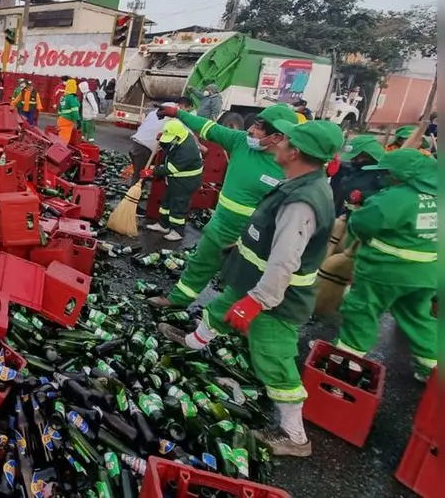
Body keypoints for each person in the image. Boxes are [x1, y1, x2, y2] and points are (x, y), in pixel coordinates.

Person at [159, 120, 344, 457]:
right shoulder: (299, 183)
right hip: (251, 281)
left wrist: (257, 302)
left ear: (295, 152)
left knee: (274, 360)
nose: (278, 143)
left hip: (277, 300)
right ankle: (191, 344)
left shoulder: (302, 200)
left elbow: (285, 260)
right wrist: (243, 244)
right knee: (217, 311)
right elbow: (270, 234)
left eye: (285, 140)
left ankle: (294, 435)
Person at [147, 103, 300, 309]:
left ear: (277, 137)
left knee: (242, 281)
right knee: (200, 263)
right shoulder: (240, 142)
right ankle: (177, 299)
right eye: (254, 123)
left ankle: (229, 320)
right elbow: (208, 128)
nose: (251, 130)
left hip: (253, 236)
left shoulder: (290, 166)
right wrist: (178, 113)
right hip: (220, 225)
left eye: (259, 127)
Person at [332, 149, 437, 380]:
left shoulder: (395, 198)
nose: (385, 176)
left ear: (402, 175)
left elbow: (363, 224)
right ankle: (432, 369)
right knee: (418, 317)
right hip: (428, 275)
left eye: (388, 172)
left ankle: (346, 366)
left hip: (386, 271)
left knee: (362, 312)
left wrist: (359, 212)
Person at [140, 118, 203, 241]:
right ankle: (164, 225)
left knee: (178, 205)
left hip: (186, 181)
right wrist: (163, 141)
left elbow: (171, 168)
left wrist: (152, 171)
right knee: (166, 201)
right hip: (175, 179)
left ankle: (178, 231)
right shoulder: (180, 137)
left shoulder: (187, 149)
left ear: (178, 136)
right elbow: (169, 148)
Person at [329, 135, 385, 217]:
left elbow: (384, 198)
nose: (353, 160)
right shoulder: (355, 169)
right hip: (341, 213)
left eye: (356, 158)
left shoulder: (381, 176)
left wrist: (364, 195)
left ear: (368, 156)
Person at [56, 78, 80, 143]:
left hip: (61, 119)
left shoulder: (63, 97)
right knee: (64, 140)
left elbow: (59, 109)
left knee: (61, 136)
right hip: (68, 120)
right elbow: (75, 110)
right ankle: (60, 152)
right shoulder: (72, 98)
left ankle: (58, 149)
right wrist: (78, 120)